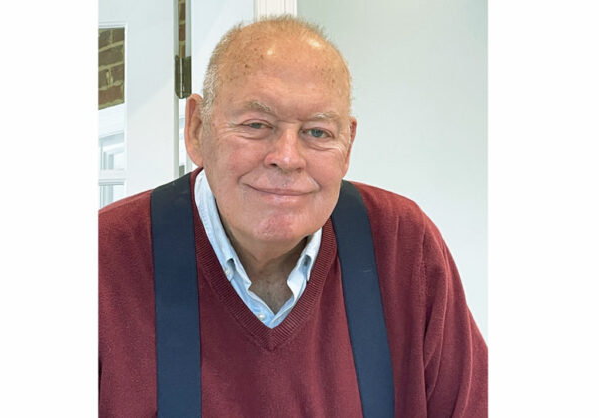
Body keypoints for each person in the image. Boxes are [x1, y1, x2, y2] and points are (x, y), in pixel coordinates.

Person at [99, 15, 487, 417]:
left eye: (317, 132)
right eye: (256, 124)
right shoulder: (102, 258)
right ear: (197, 129)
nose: (287, 158)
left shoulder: (403, 246)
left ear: (347, 146)